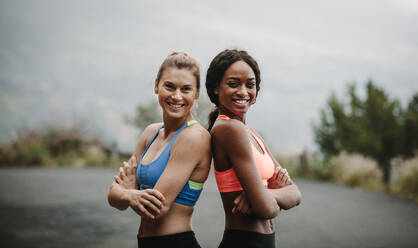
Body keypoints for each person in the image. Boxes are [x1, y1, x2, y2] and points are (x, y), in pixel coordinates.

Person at [108, 51, 211, 248]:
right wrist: (130, 195)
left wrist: (129, 191)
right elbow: (113, 197)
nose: (177, 96)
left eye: (186, 89)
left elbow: (157, 208)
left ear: (196, 93)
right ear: (157, 86)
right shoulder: (150, 133)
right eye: (169, 86)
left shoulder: (194, 137)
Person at [206, 49, 302, 248]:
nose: (243, 92)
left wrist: (261, 194)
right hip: (245, 242)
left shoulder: (249, 132)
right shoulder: (229, 129)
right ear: (217, 87)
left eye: (250, 84)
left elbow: (296, 194)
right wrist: (266, 194)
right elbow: (266, 209)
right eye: (233, 84)